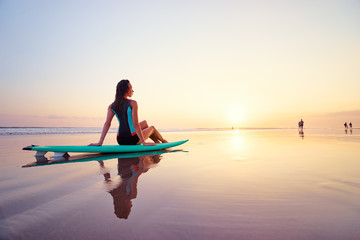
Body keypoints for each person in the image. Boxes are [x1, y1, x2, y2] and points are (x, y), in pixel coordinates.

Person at [90, 80, 167, 146]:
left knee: (145, 123)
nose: (133, 91)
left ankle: (156, 142)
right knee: (152, 128)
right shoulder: (133, 103)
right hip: (132, 139)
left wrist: (100, 142)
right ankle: (163, 141)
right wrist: (144, 142)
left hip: (120, 139)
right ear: (126, 90)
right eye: (131, 88)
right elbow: (135, 124)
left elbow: (107, 124)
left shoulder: (112, 106)